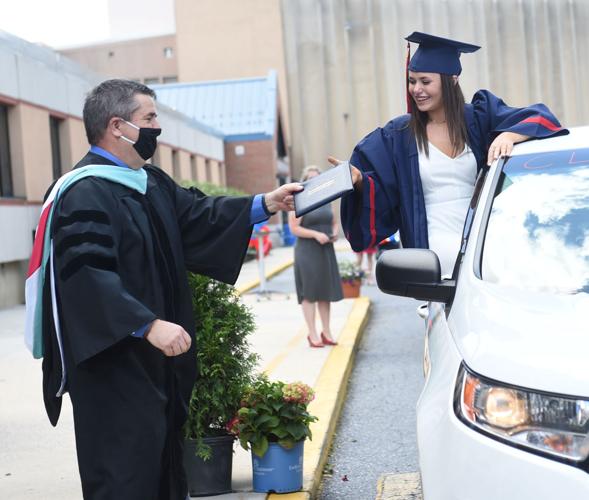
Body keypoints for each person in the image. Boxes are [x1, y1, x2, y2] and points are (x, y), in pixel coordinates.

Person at [25, 79, 302, 500]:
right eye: (149, 118)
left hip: (157, 370)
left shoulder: (147, 181)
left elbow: (197, 215)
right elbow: (85, 278)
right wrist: (147, 324)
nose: (157, 128)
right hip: (114, 370)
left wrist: (265, 204)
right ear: (117, 126)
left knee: (162, 473)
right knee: (124, 478)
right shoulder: (82, 194)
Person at [333, 32, 567, 277]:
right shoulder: (398, 135)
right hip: (433, 259)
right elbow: (380, 189)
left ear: (452, 80)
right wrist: (360, 182)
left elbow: (540, 117)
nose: (416, 89)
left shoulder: (478, 118)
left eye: (425, 81)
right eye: (412, 81)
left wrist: (509, 135)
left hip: (487, 251)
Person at [288, 166, 343, 347]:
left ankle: (326, 332)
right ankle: (313, 334)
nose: (314, 180)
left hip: (326, 249)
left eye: (317, 177)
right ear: (304, 180)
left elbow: (334, 222)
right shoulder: (298, 200)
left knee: (325, 292)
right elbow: (294, 229)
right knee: (310, 293)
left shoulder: (327, 198)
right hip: (307, 250)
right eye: (310, 178)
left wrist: (334, 233)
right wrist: (315, 234)